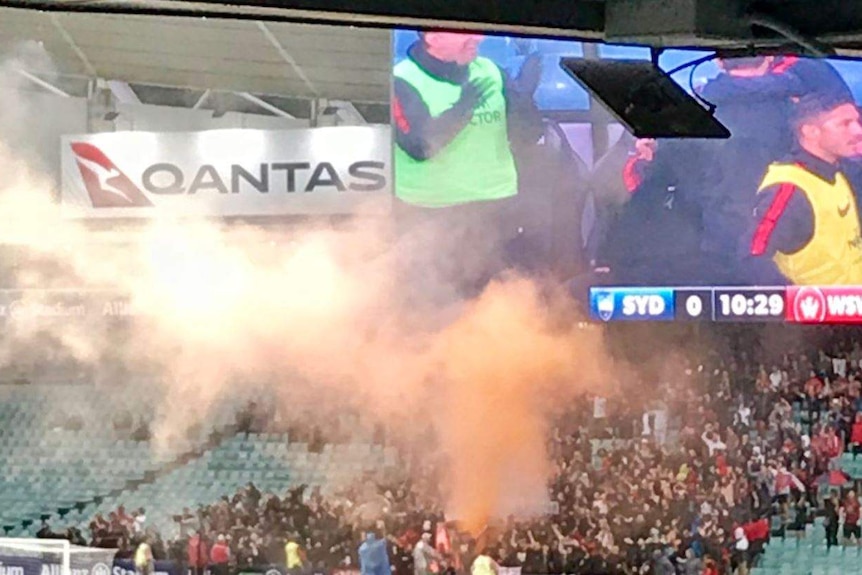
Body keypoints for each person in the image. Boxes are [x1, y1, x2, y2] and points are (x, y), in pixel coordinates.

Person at [393, 31, 542, 208]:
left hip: (497, 199)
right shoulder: (401, 79)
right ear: (433, 38)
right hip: (429, 207)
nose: (479, 38)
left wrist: (524, 99)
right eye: (465, 32)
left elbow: (527, 137)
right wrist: (461, 109)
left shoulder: (490, 71)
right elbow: (419, 148)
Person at [746, 82, 862, 285]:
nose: (857, 131)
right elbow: (753, 255)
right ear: (811, 132)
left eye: (857, 122)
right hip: (820, 312)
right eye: (844, 124)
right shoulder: (788, 189)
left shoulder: (836, 172)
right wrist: (796, 306)